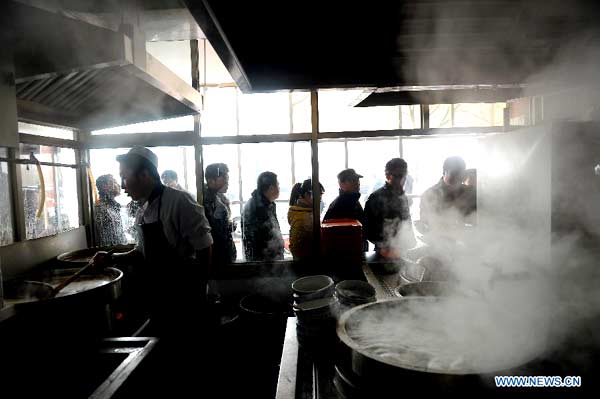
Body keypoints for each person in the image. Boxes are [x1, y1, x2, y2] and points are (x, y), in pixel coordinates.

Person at [93, 146, 213, 336]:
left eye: (124, 177)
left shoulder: (180, 202)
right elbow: (141, 252)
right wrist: (112, 258)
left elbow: (205, 248)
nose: (123, 185)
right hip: (157, 295)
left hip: (183, 297)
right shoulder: (142, 210)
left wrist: (198, 293)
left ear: (144, 175)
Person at [364, 158, 416, 258]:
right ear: (387, 175)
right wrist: (384, 247)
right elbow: (368, 230)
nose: (402, 180)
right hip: (384, 253)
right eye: (397, 176)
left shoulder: (402, 197)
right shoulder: (375, 198)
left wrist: (410, 241)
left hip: (403, 250)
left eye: (404, 176)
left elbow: (406, 221)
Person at [420, 156, 477, 231]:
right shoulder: (429, 195)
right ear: (444, 172)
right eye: (454, 173)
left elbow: (478, 218)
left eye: (461, 173)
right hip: (439, 240)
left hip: (468, 238)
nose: (458, 177)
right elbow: (425, 224)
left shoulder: (470, 192)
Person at [242, 171, 284, 261]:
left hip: (270, 260)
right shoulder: (257, 207)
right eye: (278, 185)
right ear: (271, 188)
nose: (279, 188)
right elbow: (258, 240)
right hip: (264, 263)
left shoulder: (267, 204)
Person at [204, 163, 237, 265]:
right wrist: (227, 227)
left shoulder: (217, 197)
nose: (227, 181)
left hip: (223, 252)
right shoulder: (206, 200)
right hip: (217, 256)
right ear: (211, 180)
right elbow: (213, 229)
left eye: (227, 178)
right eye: (224, 178)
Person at [288, 179, 324, 260]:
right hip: (308, 267)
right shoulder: (303, 219)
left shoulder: (304, 213)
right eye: (318, 196)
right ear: (307, 195)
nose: (320, 200)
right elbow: (299, 251)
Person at [94, 174, 127, 247]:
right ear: (104, 187)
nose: (118, 185)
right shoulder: (101, 208)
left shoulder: (113, 206)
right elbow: (106, 238)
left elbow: (120, 233)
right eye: (114, 182)